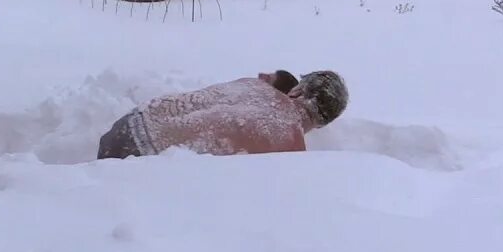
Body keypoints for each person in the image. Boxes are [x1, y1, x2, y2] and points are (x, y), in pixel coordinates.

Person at [96, 70, 347, 159]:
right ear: (323, 123)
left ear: (298, 89)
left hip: (128, 125)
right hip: (141, 161)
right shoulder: (290, 152)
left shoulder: (254, 85)